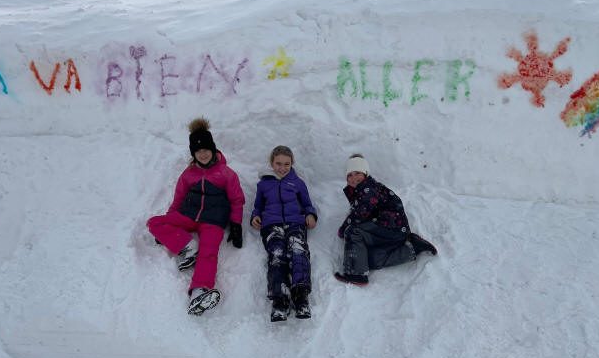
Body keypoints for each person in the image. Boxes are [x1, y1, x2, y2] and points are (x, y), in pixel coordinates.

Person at [147, 117, 245, 315]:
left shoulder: (226, 173)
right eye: (198, 151)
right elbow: (178, 198)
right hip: (189, 216)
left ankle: (200, 291)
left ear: (213, 149)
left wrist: (236, 224)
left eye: (206, 150)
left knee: (209, 251)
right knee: (154, 223)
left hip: (213, 222)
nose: (203, 154)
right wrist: (171, 222)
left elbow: (237, 200)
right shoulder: (188, 174)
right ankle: (187, 246)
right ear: (193, 153)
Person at [334, 154, 437, 286]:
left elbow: (359, 215)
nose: (354, 177)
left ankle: (356, 275)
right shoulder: (360, 192)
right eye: (350, 175)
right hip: (385, 231)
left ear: (365, 173)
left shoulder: (368, 189)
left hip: (391, 228)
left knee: (353, 231)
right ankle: (412, 248)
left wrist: (343, 230)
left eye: (357, 173)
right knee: (367, 259)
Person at [251, 146, 318, 322]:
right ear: (272, 163)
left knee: (298, 250)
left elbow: (307, 204)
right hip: (272, 225)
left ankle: (300, 295)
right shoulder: (264, 184)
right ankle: (280, 300)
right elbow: (258, 206)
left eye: (286, 164)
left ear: (292, 163)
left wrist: (310, 214)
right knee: (277, 254)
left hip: (295, 223)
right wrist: (255, 216)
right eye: (278, 163)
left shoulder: (297, 183)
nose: (282, 167)